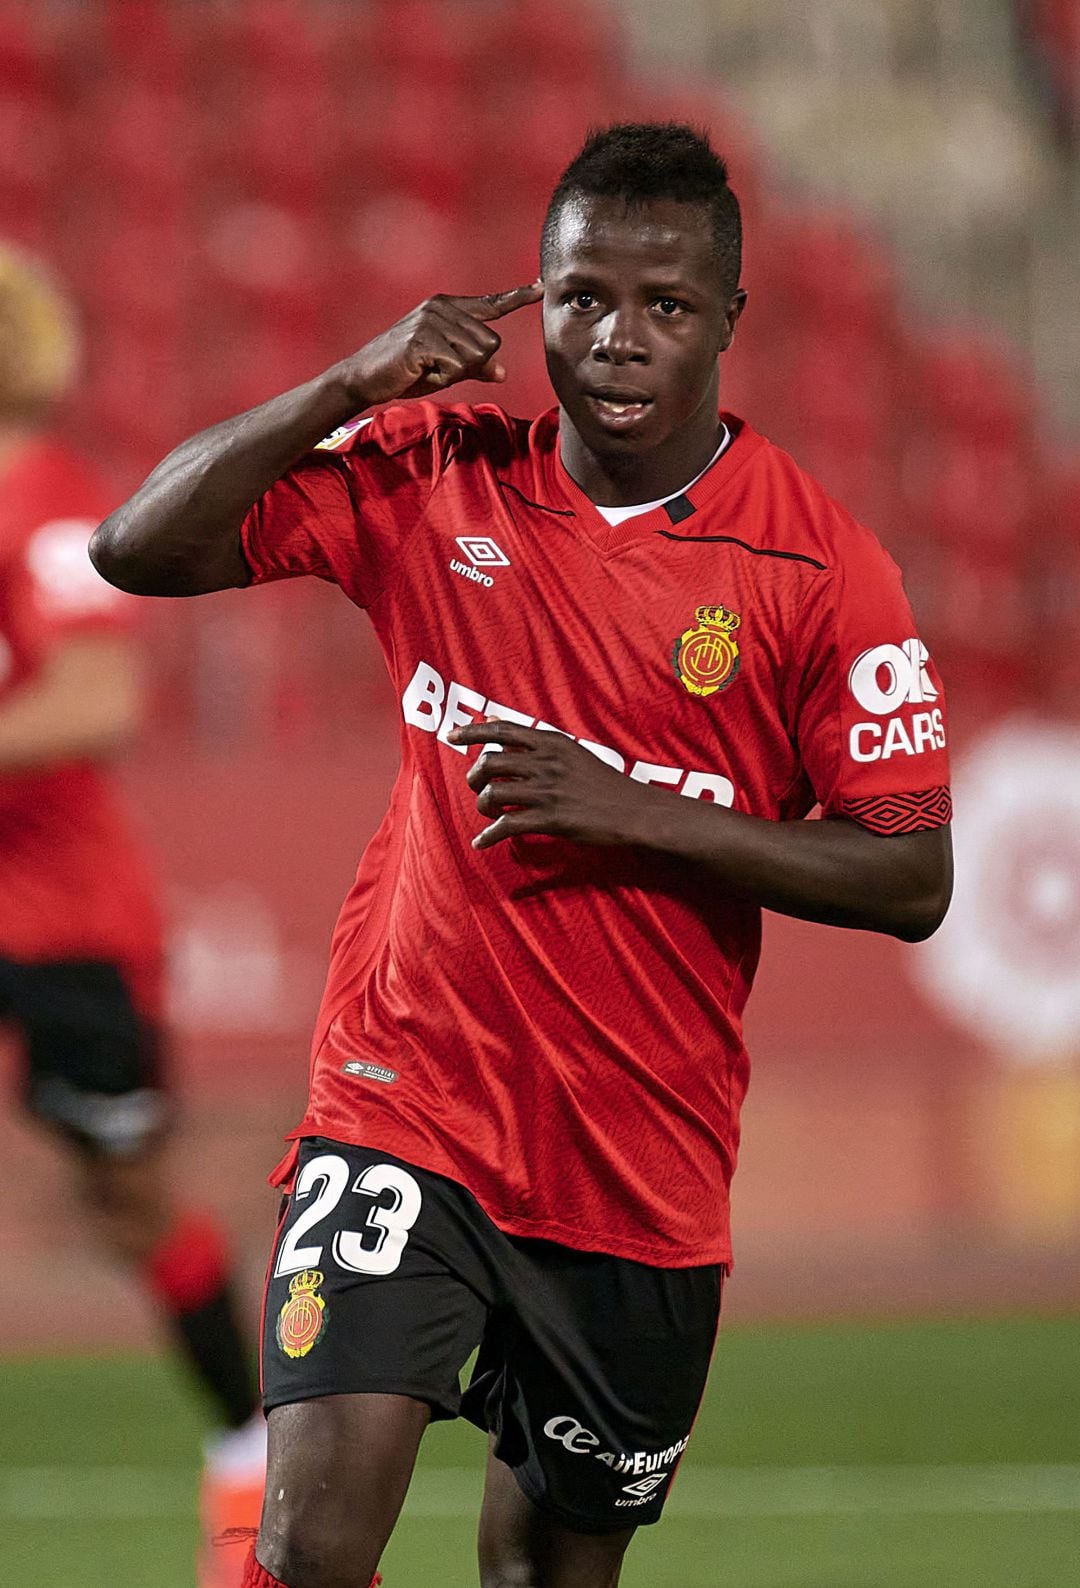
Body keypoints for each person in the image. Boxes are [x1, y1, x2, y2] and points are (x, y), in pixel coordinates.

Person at [91, 123, 953, 1588]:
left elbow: (912, 877)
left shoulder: (818, 571)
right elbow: (138, 548)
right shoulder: (439, 473)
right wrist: (343, 389)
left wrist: (633, 809)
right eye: (582, 299)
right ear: (535, 301)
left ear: (730, 322)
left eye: (665, 307)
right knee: (305, 1550)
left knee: (544, 1575)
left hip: (636, 1167)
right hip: (402, 1103)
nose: (618, 339)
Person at [0, 245, 264, 1588]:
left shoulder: (48, 501)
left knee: (129, 1200)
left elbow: (94, 702)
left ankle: (247, 1443)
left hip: (62, 922)